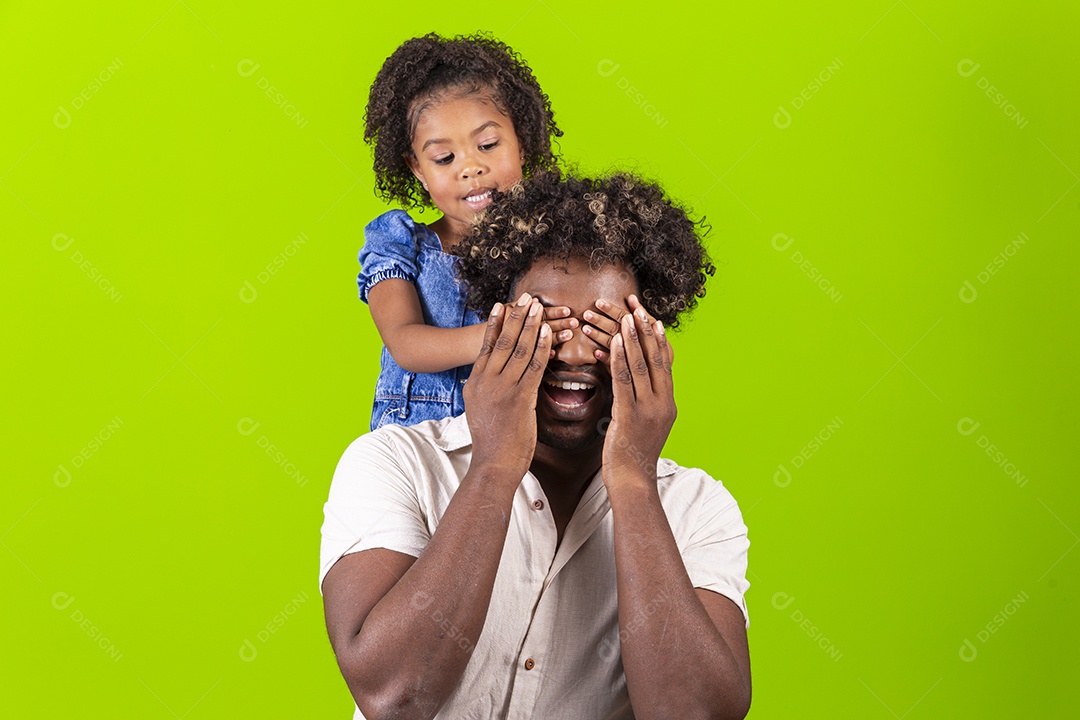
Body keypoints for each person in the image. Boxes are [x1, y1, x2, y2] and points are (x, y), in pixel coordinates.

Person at [321, 172, 751, 719]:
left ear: (650, 339)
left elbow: (694, 715)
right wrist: (494, 467)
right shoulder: (395, 465)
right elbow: (395, 695)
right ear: (496, 324)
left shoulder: (697, 507)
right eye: (546, 321)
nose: (572, 352)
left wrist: (635, 480)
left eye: (603, 328)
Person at [358, 32, 576, 431]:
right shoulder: (400, 243)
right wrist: (508, 332)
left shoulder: (551, 246)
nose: (470, 168)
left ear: (522, 144)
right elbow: (405, 343)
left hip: (515, 443)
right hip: (416, 445)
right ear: (417, 170)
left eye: (488, 145)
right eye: (444, 157)